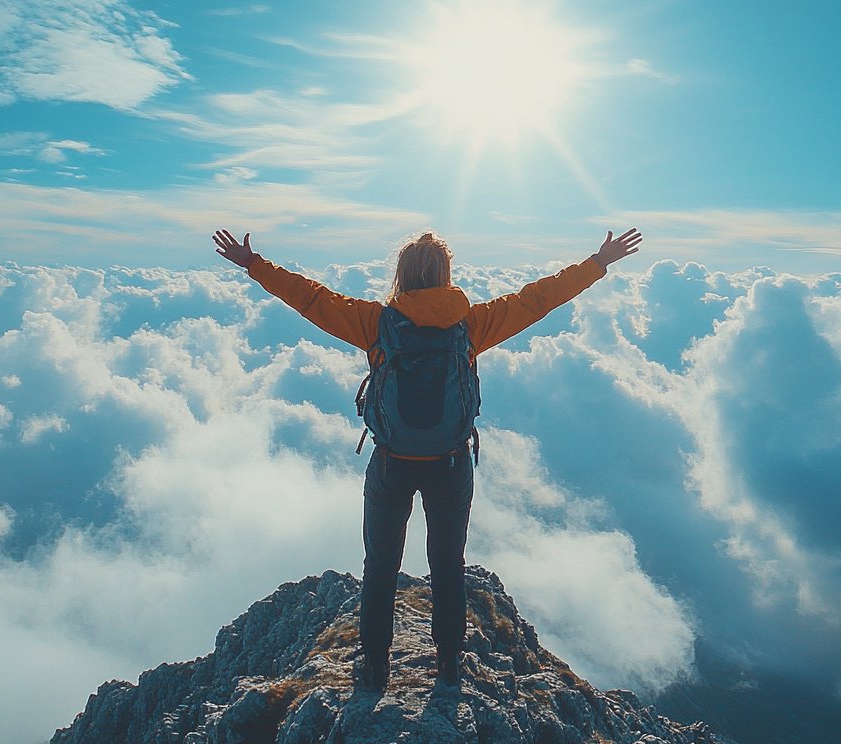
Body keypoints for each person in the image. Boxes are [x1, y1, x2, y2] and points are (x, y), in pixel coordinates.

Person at [212, 227, 642, 690]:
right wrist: (597, 264)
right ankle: (450, 663)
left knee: (380, 566)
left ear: (401, 275)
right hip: (450, 463)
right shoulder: (471, 326)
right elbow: (537, 300)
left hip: (391, 461)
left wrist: (255, 266)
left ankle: (375, 663)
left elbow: (311, 298)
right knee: (448, 563)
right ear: (445, 275)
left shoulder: (375, 323)